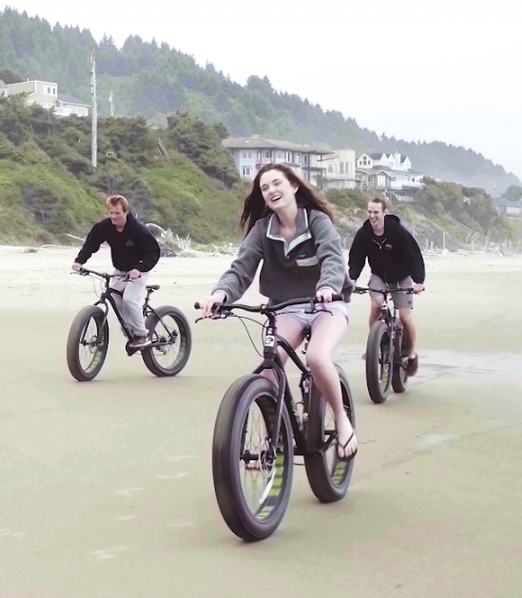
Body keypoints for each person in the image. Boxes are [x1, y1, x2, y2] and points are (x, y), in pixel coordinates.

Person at [197, 164, 357, 459]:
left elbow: (332, 256)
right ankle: (273, 441)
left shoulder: (317, 221)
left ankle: (342, 419)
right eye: (264, 188)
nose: (271, 191)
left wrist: (328, 286)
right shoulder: (262, 230)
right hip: (286, 308)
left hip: (327, 304)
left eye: (276, 183)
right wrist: (221, 294)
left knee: (317, 357)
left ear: (294, 186)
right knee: (270, 367)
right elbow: (241, 268)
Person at [347, 196, 425, 376]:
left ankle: (411, 353)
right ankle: (374, 344)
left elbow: (414, 256)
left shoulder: (397, 232)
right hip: (379, 276)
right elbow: (356, 259)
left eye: (376, 212)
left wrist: (419, 281)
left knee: (405, 317)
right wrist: (352, 279)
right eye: (370, 212)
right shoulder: (364, 233)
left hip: (401, 277)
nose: (372, 216)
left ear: (384, 213)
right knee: (376, 306)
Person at [71, 195, 161, 350]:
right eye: (111, 213)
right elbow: (91, 243)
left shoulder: (138, 230)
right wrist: (79, 262)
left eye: (117, 213)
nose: (113, 216)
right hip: (120, 271)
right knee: (114, 298)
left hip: (139, 271)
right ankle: (130, 331)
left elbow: (153, 252)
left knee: (129, 300)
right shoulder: (105, 227)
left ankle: (141, 334)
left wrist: (138, 269)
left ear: (126, 212)